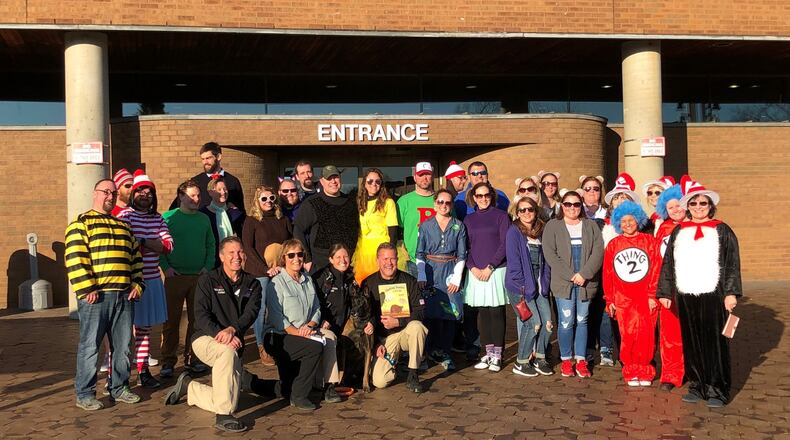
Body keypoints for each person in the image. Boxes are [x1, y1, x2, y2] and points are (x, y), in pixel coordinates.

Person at [164, 237, 275, 433]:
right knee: (226, 354)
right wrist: (220, 332)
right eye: (231, 252)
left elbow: (251, 314)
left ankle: (190, 387)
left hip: (233, 341)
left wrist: (232, 330)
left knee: (231, 399)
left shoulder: (253, 284)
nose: (236, 256)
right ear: (222, 256)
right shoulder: (208, 280)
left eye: (240, 252)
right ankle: (223, 415)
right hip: (205, 338)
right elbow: (200, 315)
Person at [657, 175, 742, 408]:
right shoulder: (679, 231)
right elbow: (668, 263)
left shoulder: (722, 230)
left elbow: (732, 263)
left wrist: (731, 293)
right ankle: (697, 384)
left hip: (714, 294)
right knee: (691, 341)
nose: (698, 207)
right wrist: (665, 292)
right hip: (686, 294)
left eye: (703, 203)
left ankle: (717, 388)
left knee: (715, 343)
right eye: (693, 203)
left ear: (710, 206)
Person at [66, 178, 144, 410]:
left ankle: (119, 388)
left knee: (123, 346)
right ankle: (85, 394)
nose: (110, 196)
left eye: (113, 193)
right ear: (95, 193)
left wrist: (137, 284)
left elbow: (136, 258)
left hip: (124, 296)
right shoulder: (81, 223)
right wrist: (86, 288)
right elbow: (75, 258)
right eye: (105, 192)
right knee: (90, 346)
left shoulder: (124, 226)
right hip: (96, 297)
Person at [264, 239, 341, 410]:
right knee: (313, 348)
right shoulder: (276, 283)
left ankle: (328, 386)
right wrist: (299, 333)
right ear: (284, 258)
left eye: (300, 254)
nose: (296, 258)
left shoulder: (308, 279)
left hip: (306, 331)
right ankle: (299, 396)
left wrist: (310, 325)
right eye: (291, 255)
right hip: (280, 335)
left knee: (329, 338)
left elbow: (317, 308)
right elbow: (277, 318)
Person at [117, 170, 173, 389]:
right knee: (122, 332)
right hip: (128, 282)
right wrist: (151, 243)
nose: (145, 195)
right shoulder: (125, 216)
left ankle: (143, 371)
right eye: (140, 191)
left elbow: (168, 246)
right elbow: (122, 244)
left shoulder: (158, 218)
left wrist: (140, 241)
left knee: (144, 329)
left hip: (151, 280)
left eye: (149, 192)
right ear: (133, 194)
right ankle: (118, 376)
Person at [542, 190, 604, 378]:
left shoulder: (590, 225)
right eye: (568, 204)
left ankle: (581, 360)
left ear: (581, 206)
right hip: (564, 283)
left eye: (576, 204)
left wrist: (585, 274)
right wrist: (570, 275)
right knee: (566, 321)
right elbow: (550, 254)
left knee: (582, 320)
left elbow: (598, 251)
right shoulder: (553, 226)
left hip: (586, 282)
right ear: (562, 206)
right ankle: (567, 359)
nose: (572, 208)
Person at [160, 180, 216, 377]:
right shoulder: (168, 218)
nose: (196, 199)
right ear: (181, 196)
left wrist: (207, 267)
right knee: (171, 321)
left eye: (198, 195)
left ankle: (194, 358)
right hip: (175, 277)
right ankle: (168, 361)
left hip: (199, 277)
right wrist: (165, 267)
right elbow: (160, 245)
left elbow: (211, 244)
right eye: (192, 195)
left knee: (197, 320)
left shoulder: (204, 219)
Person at [603, 201, 661, 387]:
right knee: (627, 335)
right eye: (623, 221)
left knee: (646, 335)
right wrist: (610, 299)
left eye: (631, 220)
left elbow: (656, 269)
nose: (627, 224)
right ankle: (630, 369)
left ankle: (645, 370)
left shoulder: (650, 242)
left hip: (645, 297)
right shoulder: (614, 244)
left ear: (638, 220)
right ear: (618, 223)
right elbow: (608, 274)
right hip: (623, 298)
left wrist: (652, 295)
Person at [363, 243, 428, 393]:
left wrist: (399, 321)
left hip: (406, 332)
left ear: (397, 260)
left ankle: (413, 374)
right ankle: (394, 363)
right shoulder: (369, 283)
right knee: (379, 381)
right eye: (385, 259)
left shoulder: (409, 281)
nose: (389, 263)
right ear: (377, 260)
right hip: (384, 339)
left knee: (417, 327)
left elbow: (421, 311)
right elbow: (366, 316)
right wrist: (375, 344)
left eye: (392, 259)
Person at [415, 189, 467, 371]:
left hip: (450, 272)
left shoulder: (458, 226)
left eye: (447, 202)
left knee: (450, 313)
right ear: (434, 204)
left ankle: (445, 352)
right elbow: (419, 253)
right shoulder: (426, 226)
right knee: (430, 313)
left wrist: (457, 277)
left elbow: (462, 254)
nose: (444, 205)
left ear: (451, 205)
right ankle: (430, 352)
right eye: (440, 202)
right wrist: (421, 274)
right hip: (431, 272)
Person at [242, 185, 292, 366]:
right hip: (260, 272)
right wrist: (265, 269)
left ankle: (279, 343)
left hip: (280, 270)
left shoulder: (282, 219)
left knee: (281, 307)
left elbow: (290, 243)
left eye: (272, 198)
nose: (269, 202)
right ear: (257, 201)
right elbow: (248, 247)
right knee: (261, 309)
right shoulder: (252, 220)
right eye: (264, 198)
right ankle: (261, 345)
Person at [463, 182, 510, 372]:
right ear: (474, 197)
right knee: (482, 313)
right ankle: (488, 352)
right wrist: (472, 267)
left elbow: (505, 244)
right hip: (475, 272)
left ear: (492, 196)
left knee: (496, 312)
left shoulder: (501, 216)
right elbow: (465, 246)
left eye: (486, 195)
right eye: (479, 196)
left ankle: (498, 355)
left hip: (495, 271)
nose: (483, 199)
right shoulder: (468, 219)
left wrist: (490, 266)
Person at [505, 196, 553, 377]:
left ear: (535, 211)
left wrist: (545, 284)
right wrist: (522, 289)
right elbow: (514, 263)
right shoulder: (514, 232)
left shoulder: (541, 230)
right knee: (533, 323)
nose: (526, 213)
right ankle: (521, 362)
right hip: (521, 288)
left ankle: (540, 358)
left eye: (530, 209)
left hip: (539, 286)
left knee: (547, 323)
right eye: (522, 210)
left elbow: (546, 262)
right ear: (517, 213)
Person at [294, 165, 360, 274]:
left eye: (336, 177)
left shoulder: (351, 202)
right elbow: (298, 230)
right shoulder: (312, 203)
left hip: (348, 265)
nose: (333, 181)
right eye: (329, 178)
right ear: (322, 181)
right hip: (321, 267)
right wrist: (307, 259)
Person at [652, 183, 686, 391]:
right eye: (670, 207)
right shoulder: (663, 229)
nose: (675, 210)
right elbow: (657, 261)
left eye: (678, 205)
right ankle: (671, 374)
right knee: (670, 334)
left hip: (694, 287)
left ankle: (695, 371)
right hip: (669, 288)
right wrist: (657, 290)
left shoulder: (697, 226)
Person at [169, 142, 245, 214]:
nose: (205, 162)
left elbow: (241, 211)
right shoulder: (195, 182)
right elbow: (176, 208)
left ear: (218, 157)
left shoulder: (233, 181)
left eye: (208, 158)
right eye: (203, 159)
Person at [353, 168, 398, 285]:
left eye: (377, 181)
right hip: (362, 251)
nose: (374, 184)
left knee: (383, 283)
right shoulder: (359, 202)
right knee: (364, 284)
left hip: (381, 249)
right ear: (364, 183)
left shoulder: (388, 202)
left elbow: (393, 231)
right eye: (370, 181)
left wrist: (389, 253)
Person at [396, 161, 437, 277]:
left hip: (439, 261)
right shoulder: (404, 201)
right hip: (412, 261)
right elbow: (397, 231)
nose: (425, 178)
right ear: (414, 178)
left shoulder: (442, 200)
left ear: (433, 177)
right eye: (421, 175)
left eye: (427, 174)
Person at [200, 175, 245, 267]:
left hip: (231, 261)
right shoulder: (203, 214)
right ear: (210, 192)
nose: (223, 192)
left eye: (225, 189)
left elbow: (243, 236)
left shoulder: (235, 213)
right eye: (219, 189)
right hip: (209, 261)